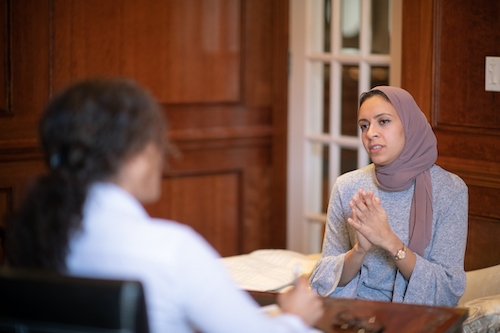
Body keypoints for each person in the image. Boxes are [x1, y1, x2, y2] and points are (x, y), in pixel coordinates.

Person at [5, 78, 323, 333]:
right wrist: (294, 317)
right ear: (134, 156)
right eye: (158, 143)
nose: (163, 157)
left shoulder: (31, 239)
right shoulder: (171, 250)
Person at [309, 86, 468, 307]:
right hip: (351, 315)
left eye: (383, 121)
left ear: (409, 124)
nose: (370, 133)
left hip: (413, 317)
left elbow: (447, 291)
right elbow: (321, 281)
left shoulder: (450, 190)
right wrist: (359, 251)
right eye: (364, 125)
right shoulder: (347, 186)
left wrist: (389, 241)